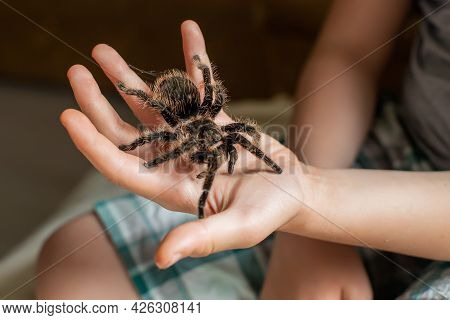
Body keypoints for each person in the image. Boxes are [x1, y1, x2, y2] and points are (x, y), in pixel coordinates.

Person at [36, 0, 450, 300]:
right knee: (75, 261)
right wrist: (298, 189)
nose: (212, 149)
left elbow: (233, 131)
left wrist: (309, 199)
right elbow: (347, 50)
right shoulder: (191, 123)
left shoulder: (218, 136)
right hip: (396, 145)